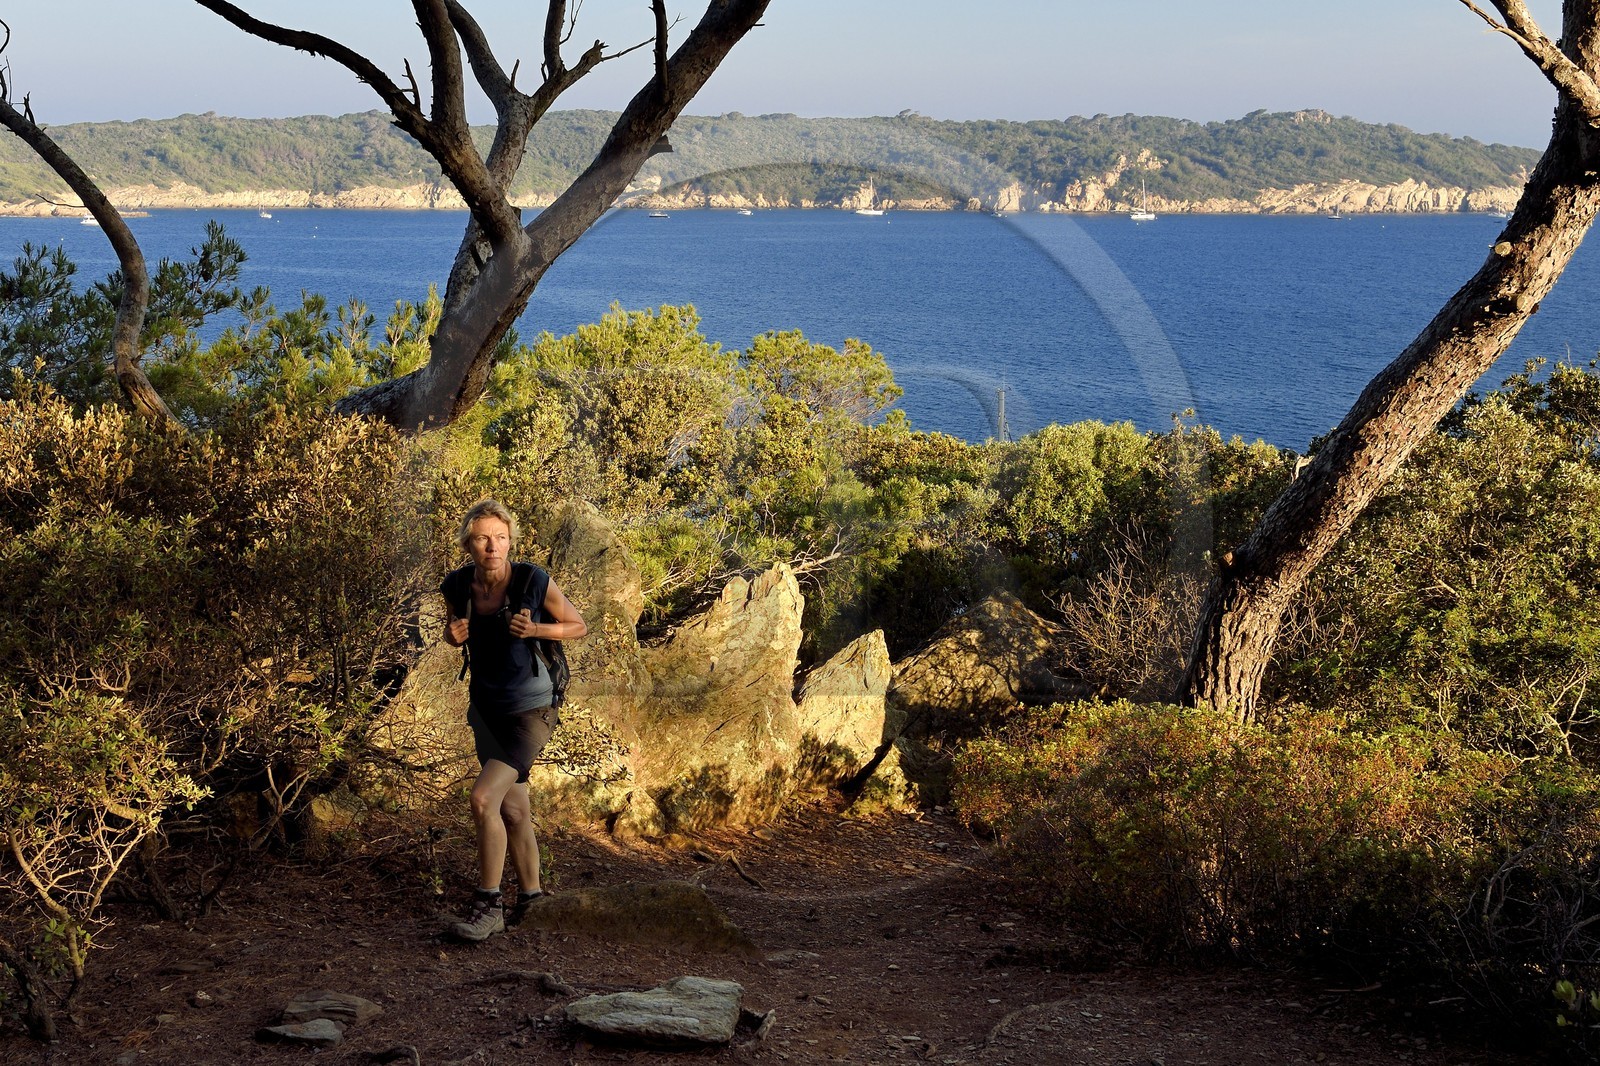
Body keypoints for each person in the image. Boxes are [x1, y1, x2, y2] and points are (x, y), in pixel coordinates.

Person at [440, 499, 587, 941]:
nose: (493, 546)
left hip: (533, 708)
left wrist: (537, 630)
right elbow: (455, 629)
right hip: (486, 709)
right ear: (469, 542)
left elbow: (578, 625)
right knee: (514, 807)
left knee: (485, 799)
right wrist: (451, 635)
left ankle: (488, 906)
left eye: (501, 538)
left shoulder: (532, 580)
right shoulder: (457, 585)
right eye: (484, 538)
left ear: (511, 542)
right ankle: (532, 899)